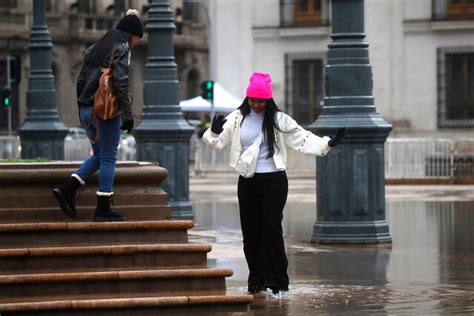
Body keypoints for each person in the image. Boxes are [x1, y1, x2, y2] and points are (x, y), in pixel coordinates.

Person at [202, 72, 345, 295]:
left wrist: (327, 143)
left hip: (274, 181)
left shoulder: (279, 120)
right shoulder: (237, 118)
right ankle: (257, 280)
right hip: (247, 181)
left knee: (271, 229)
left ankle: (278, 281)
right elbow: (214, 143)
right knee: (251, 234)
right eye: (253, 100)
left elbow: (302, 138)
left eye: (261, 100)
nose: (257, 105)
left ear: (268, 100)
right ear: (247, 98)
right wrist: (213, 131)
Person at [53, 9, 143, 222]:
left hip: (87, 110)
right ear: (131, 34)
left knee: (101, 156)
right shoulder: (122, 48)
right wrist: (127, 115)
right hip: (104, 112)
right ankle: (103, 207)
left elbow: (81, 81)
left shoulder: (96, 48)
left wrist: (82, 108)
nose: (138, 42)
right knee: (109, 157)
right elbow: (120, 82)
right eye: (138, 37)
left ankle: (68, 188)